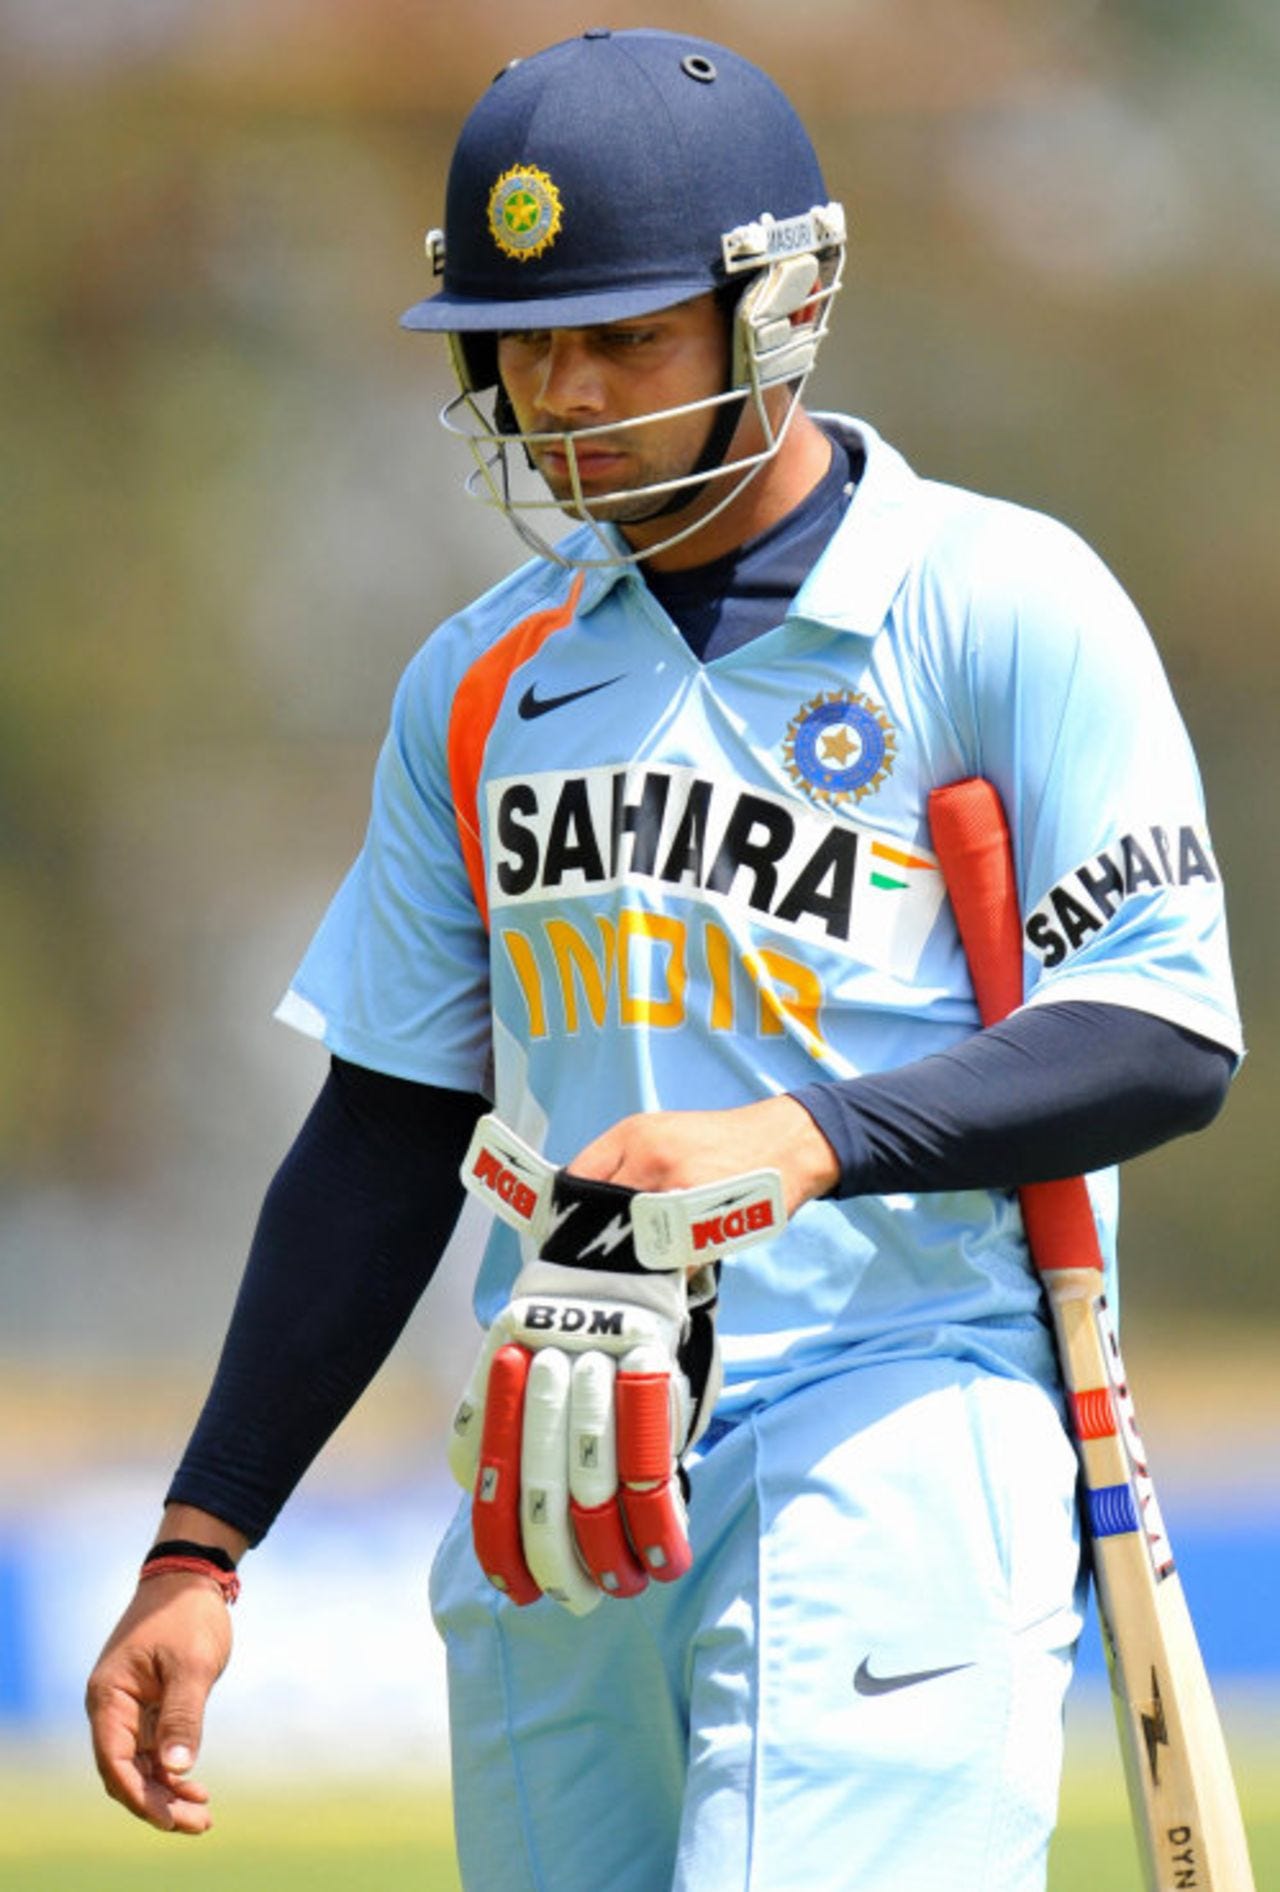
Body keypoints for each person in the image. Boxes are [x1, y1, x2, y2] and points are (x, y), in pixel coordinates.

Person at [86, 28, 1242, 1892]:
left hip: (898, 1415)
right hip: (555, 1454)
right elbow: (387, 1123)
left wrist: (797, 1136)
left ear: (778, 310)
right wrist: (200, 1543)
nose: (566, 395)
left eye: (624, 336)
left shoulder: (995, 600)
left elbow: (1161, 1028)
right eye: (525, 344)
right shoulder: (475, 679)